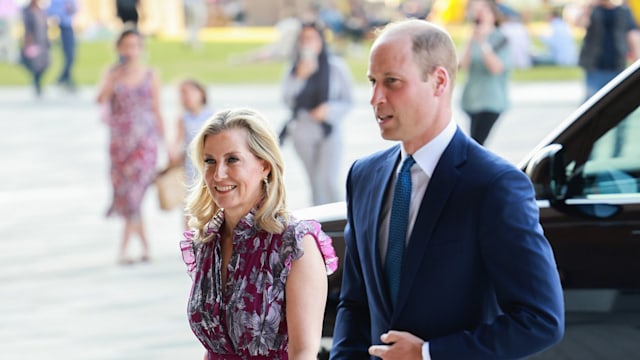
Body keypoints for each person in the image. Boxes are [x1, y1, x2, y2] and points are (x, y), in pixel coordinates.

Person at [330, 19, 564, 359]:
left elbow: (541, 320)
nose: (375, 98)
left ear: (439, 81)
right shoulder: (364, 175)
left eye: (391, 82)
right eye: (372, 82)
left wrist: (428, 354)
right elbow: (354, 301)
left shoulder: (494, 184)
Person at [180, 108, 338, 359]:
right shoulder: (207, 243)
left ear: (264, 165)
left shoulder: (295, 244)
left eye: (232, 159)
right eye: (210, 161)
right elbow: (213, 348)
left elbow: (303, 354)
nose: (218, 174)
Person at [96, 29, 167, 264]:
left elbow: (157, 109)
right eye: (125, 45)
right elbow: (100, 99)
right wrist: (113, 79)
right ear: (118, 48)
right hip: (119, 143)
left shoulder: (151, 75)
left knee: (135, 195)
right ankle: (145, 247)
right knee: (127, 195)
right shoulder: (112, 73)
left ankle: (124, 249)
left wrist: (166, 144)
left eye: (134, 45)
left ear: (141, 49)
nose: (130, 50)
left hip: (144, 142)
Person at [281, 22, 353, 206]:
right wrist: (301, 77)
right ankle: (318, 229)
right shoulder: (294, 69)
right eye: (304, 39)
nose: (308, 43)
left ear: (321, 40)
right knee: (315, 184)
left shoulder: (335, 67)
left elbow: (348, 100)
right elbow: (288, 101)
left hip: (329, 131)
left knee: (328, 181)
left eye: (312, 38)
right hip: (303, 133)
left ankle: (341, 222)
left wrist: (329, 111)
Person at [459, 0, 510, 146]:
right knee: (475, 143)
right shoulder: (472, 37)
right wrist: (471, 40)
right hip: (472, 100)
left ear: (493, 15)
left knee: (476, 144)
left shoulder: (500, 38)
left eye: (483, 11)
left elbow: (496, 68)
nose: (479, 14)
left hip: (491, 100)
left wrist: (483, 42)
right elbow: (463, 65)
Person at [170, 79, 214, 229]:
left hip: (210, 167)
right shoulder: (183, 119)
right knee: (189, 210)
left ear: (200, 93)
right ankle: (190, 248)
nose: (186, 97)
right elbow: (177, 143)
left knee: (211, 208)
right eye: (182, 94)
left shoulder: (213, 115)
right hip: (190, 170)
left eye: (189, 92)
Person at [578, 0, 639, 100]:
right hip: (595, 65)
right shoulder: (593, 10)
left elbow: (632, 35)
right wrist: (588, 8)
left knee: (618, 101)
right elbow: (581, 24)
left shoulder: (623, 10)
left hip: (617, 64)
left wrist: (637, 59)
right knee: (592, 101)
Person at [20, 0, 50, 97]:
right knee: (36, 64)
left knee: (46, 63)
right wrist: (28, 42)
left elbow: (45, 26)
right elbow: (27, 28)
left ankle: (37, 80)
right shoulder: (27, 11)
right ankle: (37, 83)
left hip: (43, 41)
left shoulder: (41, 11)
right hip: (33, 41)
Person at [47, 0, 77, 91]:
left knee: (70, 56)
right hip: (58, 27)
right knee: (66, 55)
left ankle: (65, 77)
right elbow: (50, 11)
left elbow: (75, 9)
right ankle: (64, 78)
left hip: (68, 27)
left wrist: (70, 9)